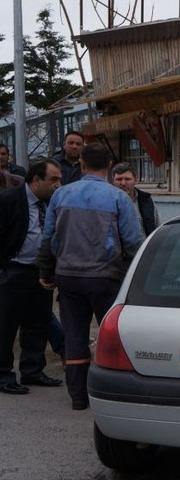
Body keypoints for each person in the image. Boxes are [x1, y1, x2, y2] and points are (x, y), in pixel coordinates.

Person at [37, 143, 144, 410]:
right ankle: (114, 394)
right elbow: (133, 242)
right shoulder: (118, 198)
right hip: (106, 277)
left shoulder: (60, 195)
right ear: (109, 166)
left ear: (82, 164)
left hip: (68, 276)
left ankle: (78, 398)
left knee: (74, 336)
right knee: (112, 335)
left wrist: (46, 272)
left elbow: (49, 238)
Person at [0, 160, 64, 394]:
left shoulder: (52, 203)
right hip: (14, 270)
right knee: (6, 325)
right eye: (53, 180)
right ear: (36, 180)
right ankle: (4, 374)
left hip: (40, 272)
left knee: (38, 321)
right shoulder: (9, 200)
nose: (58, 185)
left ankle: (32, 370)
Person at [112, 162, 160, 236]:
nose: (123, 183)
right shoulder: (107, 202)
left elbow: (156, 230)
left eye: (127, 179)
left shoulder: (146, 201)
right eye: (119, 179)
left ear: (136, 180)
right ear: (113, 181)